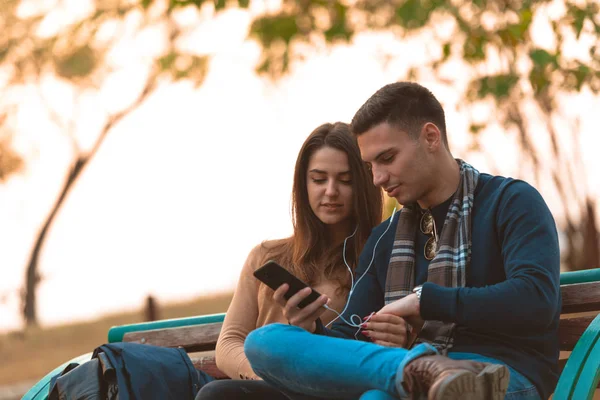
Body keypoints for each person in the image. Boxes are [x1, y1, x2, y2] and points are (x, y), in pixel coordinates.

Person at [242, 82, 561, 400]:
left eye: (387, 158)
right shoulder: (386, 238)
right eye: (370, 166)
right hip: (410, 385)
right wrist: (313, 329)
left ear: (431, 138)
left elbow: (536, 299)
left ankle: (426, 371)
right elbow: (351, 332)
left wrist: (426, 302)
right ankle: (420, 369)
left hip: (503, 377)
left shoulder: (511, 202)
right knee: (264, 341)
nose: (378, 178)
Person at [196, 122, 383, 399]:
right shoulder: (266, 256)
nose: (331, 191)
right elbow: (229, 343)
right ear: (302, 184)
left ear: (365, 184)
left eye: (345, 180)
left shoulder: (376, 259)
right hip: (269, 385)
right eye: (319, 179)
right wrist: (270, 375)